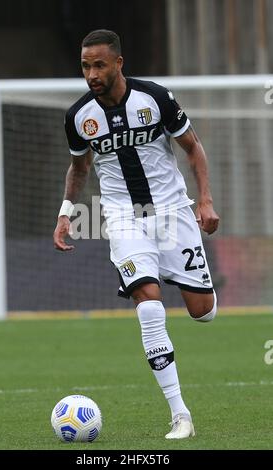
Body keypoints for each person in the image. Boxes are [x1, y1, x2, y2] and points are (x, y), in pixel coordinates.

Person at [53, 29, 219, 439]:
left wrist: (206, 200)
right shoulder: (79, 116)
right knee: (148, 306)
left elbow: (193, 148)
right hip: (125, 219)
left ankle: (171, 274)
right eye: (85, 66)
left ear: (118, 63)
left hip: (172, 212)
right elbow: (79, 168)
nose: (91, 73)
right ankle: (180, 415)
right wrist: (64, 214)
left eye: (99, 65)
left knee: (203, 311)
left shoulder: (155, 97)